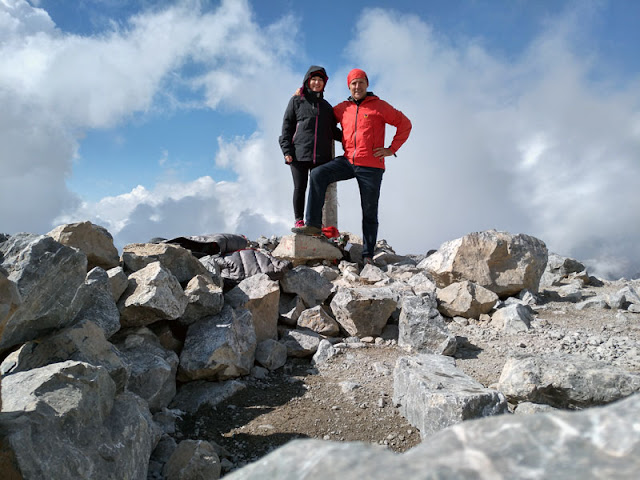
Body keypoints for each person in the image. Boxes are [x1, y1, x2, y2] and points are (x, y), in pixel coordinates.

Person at [292, 68, 412, 265]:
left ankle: (367, 255)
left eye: (361, 82)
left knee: (369, 210)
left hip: (372, 166)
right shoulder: (342, 108)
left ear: (367, 84)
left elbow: (405, 124)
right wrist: (302, 94)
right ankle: (313, 224)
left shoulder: (379, 106)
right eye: (353, 83)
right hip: (348, 161)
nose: (357, 86)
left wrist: (391, 149)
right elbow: (320, 112)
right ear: (349, 86)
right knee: (318, 174)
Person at [279, 66, 342, 228]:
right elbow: (287, 127)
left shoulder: (327, 107)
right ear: (307, 80)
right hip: (299, 154)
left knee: (318, 191)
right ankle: (299, 220)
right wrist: (286, 150)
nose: (317, 83)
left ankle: (315, 223)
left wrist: (352, 139)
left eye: (320, 80)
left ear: (324, 83)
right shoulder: (296, 101)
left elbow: (333, 131)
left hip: (322, 157)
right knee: (300, 188)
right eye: (314, 79)